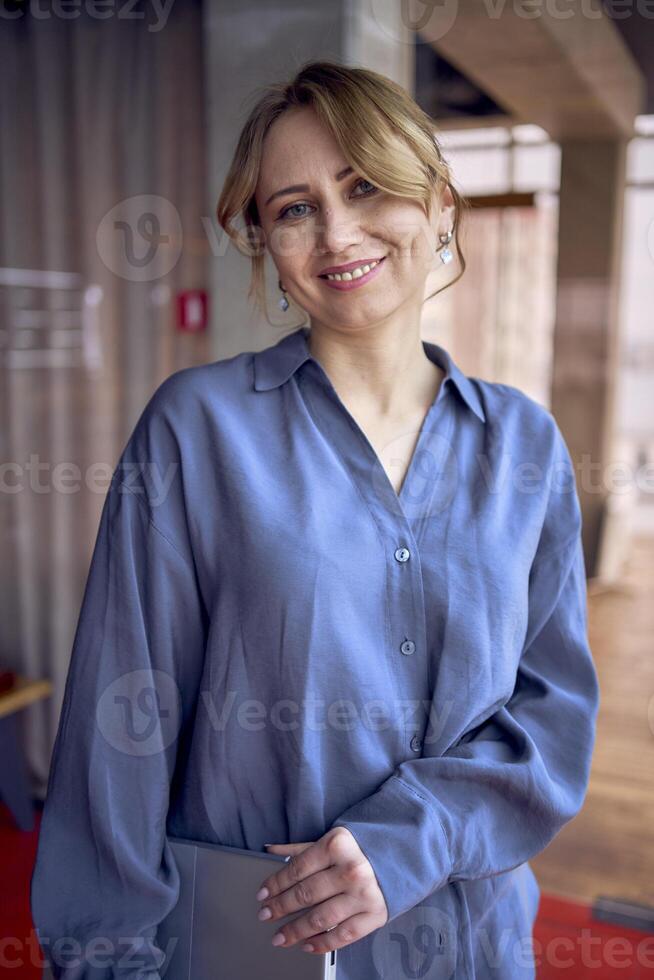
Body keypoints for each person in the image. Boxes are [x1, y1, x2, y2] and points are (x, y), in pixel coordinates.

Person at [30, 60, 600, 979]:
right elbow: (119, 728)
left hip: (473, 945)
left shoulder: (524, 444)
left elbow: (550, 718)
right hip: (254, 950)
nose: (338, 233)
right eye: (294, 208)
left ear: (442, 206)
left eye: (366, 187)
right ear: (264, 242)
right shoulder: (197, 428)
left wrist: (414, 838)